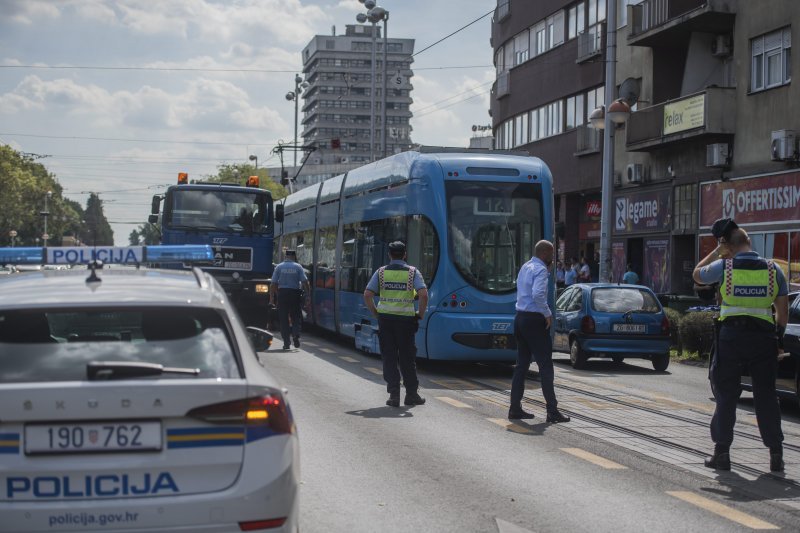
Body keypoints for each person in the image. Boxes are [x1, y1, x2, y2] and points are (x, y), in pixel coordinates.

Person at [692, 221, 787, 472]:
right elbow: (783, 312)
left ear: (728, 246)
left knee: (726, 396)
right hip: (764, 340)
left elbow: (697, 275)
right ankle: (775, 453)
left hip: (731, 339)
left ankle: (722, 453)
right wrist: (777, 338)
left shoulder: (725, 266)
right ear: (749, 243)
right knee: (766, 395)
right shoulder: (773, 269)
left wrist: (716, 251)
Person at [508, 240, 570, 423]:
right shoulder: (541, 270)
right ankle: (552, 411)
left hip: (520, 318)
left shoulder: (526, 267)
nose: (553, 259)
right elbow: (538, 294)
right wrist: (547, 313)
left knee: (521, 365)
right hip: (535, 320)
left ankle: (515, 408)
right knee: (545, 365)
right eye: (552, 255)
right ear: (546, 254)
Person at [363, 241, 429, 408]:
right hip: (406, 322)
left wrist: (376, 313)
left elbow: (368, 294)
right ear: (405, 254)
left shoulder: (381, 272)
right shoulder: (413, 272)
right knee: (407, 358)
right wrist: (420, 314)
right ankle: (411, 395)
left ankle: (394, 395)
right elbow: (423, 295)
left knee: (389, 358)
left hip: (386, 321)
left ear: (389, 255)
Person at [270, 250, 310, 350]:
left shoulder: (279, 267)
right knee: (296, 316)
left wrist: (272, 298)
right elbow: (305, 282)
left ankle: (286, 343)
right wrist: (308, 294)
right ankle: (296, 334)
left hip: (282, 294)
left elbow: (273, 283)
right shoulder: (298, 267)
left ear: (286, 256)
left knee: (283, 319)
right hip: (294, 294)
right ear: (294, 256)